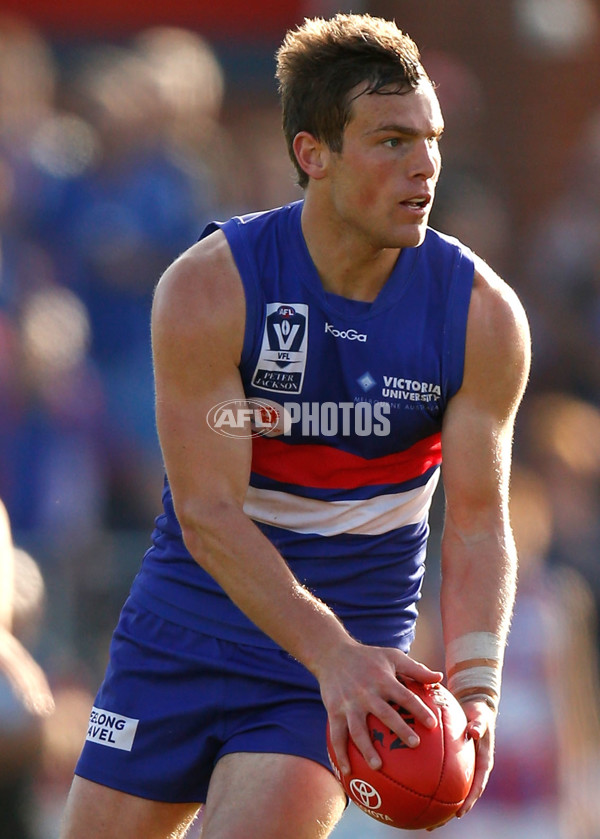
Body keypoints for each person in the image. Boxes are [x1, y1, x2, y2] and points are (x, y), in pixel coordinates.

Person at [60, 13, 530, 839]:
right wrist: (329, 651)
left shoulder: (481, 314)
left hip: (347, 658)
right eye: (390, 141)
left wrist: (477, 690)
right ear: (313, 154)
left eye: (432, 138)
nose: (425, 166)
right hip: (190, 621)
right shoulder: (212, 288)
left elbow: (480, 526)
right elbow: (207, 514)